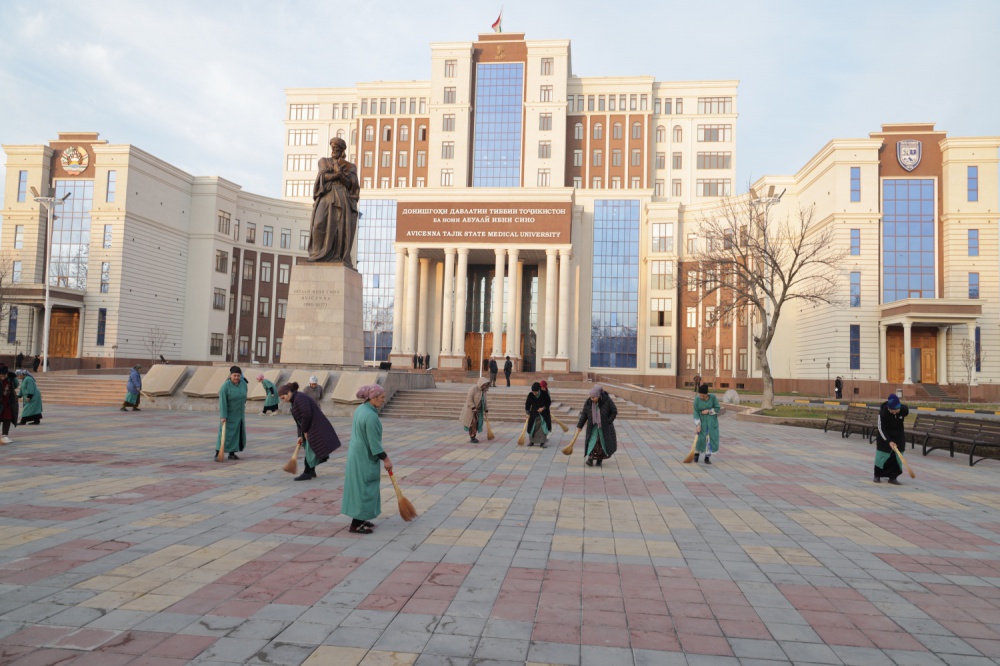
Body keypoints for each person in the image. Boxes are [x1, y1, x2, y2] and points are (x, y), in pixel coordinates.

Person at [342, 384, 393, 534]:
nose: (383, 400)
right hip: (364, 457)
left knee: (360, 486)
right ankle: (356, 524)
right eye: (382, 398)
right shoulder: (370, 416)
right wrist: (386, 459)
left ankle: (362, 517)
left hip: (357, 454)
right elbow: (374, 444)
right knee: (365, 488)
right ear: (374, 398)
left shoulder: (361, 409)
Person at [308, 137, 360, 267]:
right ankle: (316, 254)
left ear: (342, 150)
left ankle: (337, 256)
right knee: (318, 223)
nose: (334, 150)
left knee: (339, 229)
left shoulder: (350, 167)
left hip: (342, 197)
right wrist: (337, 175)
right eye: (333, 147)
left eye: (337, 148)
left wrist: (341, 175)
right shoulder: (324, 161)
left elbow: (351, 185)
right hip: (326, 196)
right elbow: (322, 177)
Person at [278, 382, 341, 481]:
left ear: (289, 392)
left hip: (315, 427)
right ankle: (311, 471)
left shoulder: (300, 398)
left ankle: (307, 472)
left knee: (310, 450)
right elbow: (299, 421)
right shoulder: (295, 400)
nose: (283, 400)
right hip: (310, 427)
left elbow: (307, 415)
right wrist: (300, 435)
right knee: (311, 449)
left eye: (283, 397)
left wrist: (305, 431)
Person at [577, 385, 617, 466]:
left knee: (601, 443)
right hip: (593, 427)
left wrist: (609, 421)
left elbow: (614, 411)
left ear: (599, 396)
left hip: (604, 427)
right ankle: (590, 459)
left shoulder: (607, 401)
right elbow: (584, 415)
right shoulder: (588, 403)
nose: (592, 399)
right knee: (592, 441)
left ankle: (599, 460)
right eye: (591, 397)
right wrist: (579, 426)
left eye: (594, 397)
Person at [874, 393, 909, 485]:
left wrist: (896, 441)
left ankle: (893, 477)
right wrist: (889, 441)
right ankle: (877, 475)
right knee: (882, 455)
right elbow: (881, 428)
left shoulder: (904, 410)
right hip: (885, 435)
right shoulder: (883, 412)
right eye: (892, 411)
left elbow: (903, 414)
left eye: (896, 411)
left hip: (898, 435)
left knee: (898, 456)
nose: (894, 413)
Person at [216, 366, 248, 461]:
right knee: (225, 434)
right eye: (234, 375)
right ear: (230, 375)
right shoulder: (225, 387)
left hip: (239, 414)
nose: (236, 378)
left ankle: (232, 453)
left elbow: (244, 396)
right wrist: (223, 416)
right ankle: (217, 453)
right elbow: (222, 402)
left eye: (238, 376)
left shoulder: (243, 384)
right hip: (229, 414)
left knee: (237, 434)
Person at [693, 384, 721, 464]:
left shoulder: (713, 398)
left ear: (707, 394)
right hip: (702, 421)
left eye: (703, 396)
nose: (701, 397)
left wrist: (708, 411)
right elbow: (695, 412)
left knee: (710, 439)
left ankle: (707, 457)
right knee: (700, 438)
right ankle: (696, 454)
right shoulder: (697, 400)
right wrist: (698, 425)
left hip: (711, 421)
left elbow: (717, 408)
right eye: (700, 395)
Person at [460, 378, 490, 443]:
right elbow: (469, 399)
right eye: (484, 385)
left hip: (479, 411)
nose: (484, 386)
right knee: (472, 423)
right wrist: (473, 407)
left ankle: (474, 435)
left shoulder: (484, 391)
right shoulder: (474, 389)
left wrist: (486, 409)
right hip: (472, 410)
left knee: (477, 423)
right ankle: (472, 437)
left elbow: (485, 401)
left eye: (486, 385)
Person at [524, 381, 552, 447]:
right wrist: (527, 413)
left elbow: (548, 402)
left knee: (542, 429)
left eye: (536, 392)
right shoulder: (530, 395)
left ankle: (542, 442)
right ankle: (532, 442)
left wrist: (543, 408)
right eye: (533, 392)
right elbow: (527, 404)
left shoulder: (544, 394)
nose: (534, 393)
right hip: (534, 414)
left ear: (539, 389)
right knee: (533, 428)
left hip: (544, 415)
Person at [0, 366, 18, 444]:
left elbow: (16, 385)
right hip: (0, 402)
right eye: (1, 375)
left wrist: (13, 377)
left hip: (7, 402)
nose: (3, 377)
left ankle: (5, 435)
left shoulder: (10, 380)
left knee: (7, 418)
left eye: (4, 375)